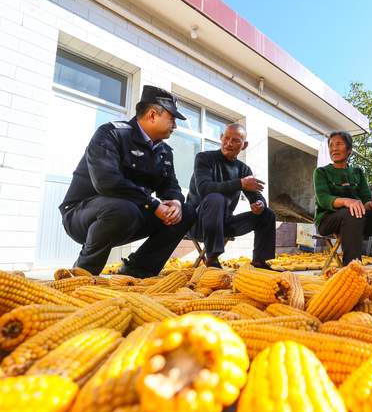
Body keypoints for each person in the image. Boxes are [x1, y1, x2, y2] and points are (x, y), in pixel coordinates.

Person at [60, 85, 195, 277]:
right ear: (152, 115)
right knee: (122, 208)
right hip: (83, 214)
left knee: (186, 212)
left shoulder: (164, 151)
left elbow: (170, 185)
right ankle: (83, 273)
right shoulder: (112, 133)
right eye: (172, 119)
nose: (175, 126)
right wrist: (152, 204)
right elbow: (107, 182)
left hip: (131, 215)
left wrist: (176, 202)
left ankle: (136, 272)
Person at [187, 123, 275, 269]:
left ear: (244, 145)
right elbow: (204, 188)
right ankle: (212, 259)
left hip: (225, 224)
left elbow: (256, 196)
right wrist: (240, 183)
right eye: (226, 138)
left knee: (267, 214)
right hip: (198, 223)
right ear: (221, 138)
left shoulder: (243, 169)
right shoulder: (204, 158)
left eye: (235, 140)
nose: (229, 143)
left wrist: (260, 204)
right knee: (216, 198)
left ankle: (260, 261)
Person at [313, 131, 372, 267]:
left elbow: (366, 200)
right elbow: (323, 199)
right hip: (328, 220)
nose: (334, 148)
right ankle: (352, 268)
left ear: (349, 149)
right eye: (331, 145)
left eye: (339, 144)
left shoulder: (357, 172)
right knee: (352, 212)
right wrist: (347, 201)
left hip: (357, 221)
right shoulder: (321, 172)